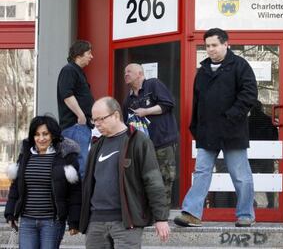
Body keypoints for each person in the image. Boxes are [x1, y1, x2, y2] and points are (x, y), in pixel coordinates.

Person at [174, 28, 258, 227]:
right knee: (201, 172)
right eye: (207, 46)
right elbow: (197, 101)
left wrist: (231, 117)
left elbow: (249, 95)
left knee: (240, 175)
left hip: (233, 130)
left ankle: (246, 215)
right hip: (207, 131)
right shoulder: (202, 71)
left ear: (226, 44)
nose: (210, 49)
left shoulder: (240, 65)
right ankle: (192, 213)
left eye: (214, 45)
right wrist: (195, 126)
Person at [79, 97, 170, 248]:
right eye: (94, 120)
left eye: (101, 119)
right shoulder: (96, 145)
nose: (96, 124)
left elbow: (153, 180)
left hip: (126, 222)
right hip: (96, 222)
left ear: (115, 115)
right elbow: (88, 184)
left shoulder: (138, 140)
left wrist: (161, 218)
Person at [4, 115, 82, 249]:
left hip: (52, 222)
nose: (41, 138)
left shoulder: (65, 156)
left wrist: (74, 221)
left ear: (53, 135)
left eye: (45, 134)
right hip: (27, 221)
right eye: (37, 134)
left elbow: (75, 191)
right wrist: (11, 212)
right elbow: (16, 186)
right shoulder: (26, 155)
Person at [123, 63, 179, 209]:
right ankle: (149, 211)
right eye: (125, 72)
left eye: (129, 71)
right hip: (142, 147)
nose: (126, 74)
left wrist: (145, 111)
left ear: (140, 74)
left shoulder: (153, 84)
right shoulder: (128, 100)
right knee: (145, 178)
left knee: (166, 177)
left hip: (163, 142)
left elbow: (168, 104)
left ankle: (163, 213)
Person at [57, 40, 95, 178]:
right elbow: (67, 95)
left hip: (80, 127)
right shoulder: (69, 70)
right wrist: (81, 116)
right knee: (80, 167)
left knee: (80, 166)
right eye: (89, 53)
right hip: (75, 127)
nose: (92, 56)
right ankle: (80, 199)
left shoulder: (77, 72)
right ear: (79, 54)